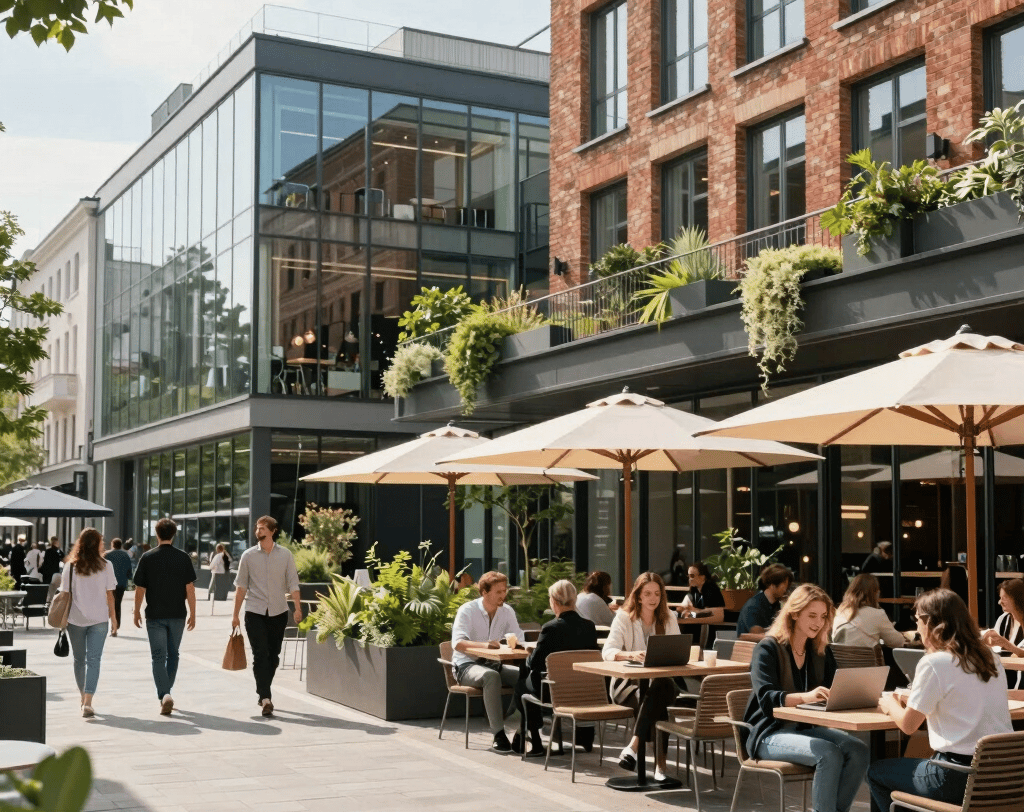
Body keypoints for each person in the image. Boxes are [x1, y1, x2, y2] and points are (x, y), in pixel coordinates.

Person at [869, 588, 1012, 812]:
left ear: (930, 623)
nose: (916, 628)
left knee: (876, 772)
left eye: (917, 621)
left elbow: (908, 726)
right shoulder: (991, 658)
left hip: (955, 778)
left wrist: (889, 705)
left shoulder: (935, 663)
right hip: (1003, 777)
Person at [744, 584, 869, 812]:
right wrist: (806, 697)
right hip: (769, 733)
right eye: (812, 615)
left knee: (858, 750)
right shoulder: (767, 648)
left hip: (804, 729)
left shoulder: (819, 650)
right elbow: (767, 699)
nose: (818, 623)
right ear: (794, 613)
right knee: (828, 753)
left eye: (823, 617)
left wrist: (857, 694)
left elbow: (834, 688)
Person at [603, 571, 681, 781]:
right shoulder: (623, 617)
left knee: (661, 687)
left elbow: (677, 649)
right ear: (637, 596)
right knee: (659, 701)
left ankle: (633, 746)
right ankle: (660, 767)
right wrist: (630, 654)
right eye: (647, 594)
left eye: (657, 593)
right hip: (626, 683)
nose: (653, 598)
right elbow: (607, 651)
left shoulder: (669, 617)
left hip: (661, 681)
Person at [513, 579, 599, 756]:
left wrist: (531, 653)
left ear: (553, 601)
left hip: (554, 691)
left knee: (522, 681)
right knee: (530, 676)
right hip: (584, 690)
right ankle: (584, 737)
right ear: (574, 600)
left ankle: (534, 739)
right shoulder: (589, 627)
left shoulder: (550, 628)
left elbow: (536, 663)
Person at [232, 516, 301, 717]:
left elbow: (293, 583)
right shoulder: (248, 556)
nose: (258, 531)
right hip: (254, 612)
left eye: (262, 528)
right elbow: (241, 587)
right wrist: (235, 615)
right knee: (260, 654)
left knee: (273, 656)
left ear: (272, 531)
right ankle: (265, 697)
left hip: (279, 612)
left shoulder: (286, 555)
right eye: (257, 528)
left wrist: (297, 608)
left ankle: (263, 691)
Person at [450, 570, 524, 753]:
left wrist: (520, 646)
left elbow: (519, 637)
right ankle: (499, 734)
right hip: (466, 666)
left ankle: (521, 731)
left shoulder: (507, 611)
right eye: (498, 591)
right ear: (484, 592)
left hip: (494, 664)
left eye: (504, 590)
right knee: (491, 677)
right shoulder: (467, 610)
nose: (503, 595)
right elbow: (457, 643)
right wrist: (484, 645)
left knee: (527, 677)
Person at [133, 518, 197, 715]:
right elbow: (190, 589)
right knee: (173, 654)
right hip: (178, 614)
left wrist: (136, 610)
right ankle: (167, 691)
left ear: (156, 533)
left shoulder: (147, 557)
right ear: (174, 534)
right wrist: (193, 613)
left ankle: (164, 694)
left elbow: (140, 588)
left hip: (155, 615)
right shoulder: (183, 557)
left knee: (158, 657)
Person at [58, 527, 117, 718]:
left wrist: (62, 619)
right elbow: (110, 595)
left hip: (75, 619)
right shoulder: (107, 565)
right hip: (100, 619)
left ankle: (84, 697)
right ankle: (88, 701)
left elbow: (64, 594)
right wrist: (114, 618)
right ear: (97, 543)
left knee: (79, 660)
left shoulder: (71, 566)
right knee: (94, 661)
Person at [832, 573, 905, 648]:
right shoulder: (877, 614)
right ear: (875, 593)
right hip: (866, 659)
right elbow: (897, 642)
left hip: (841, 659)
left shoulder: (840, 612)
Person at [981, 578, 1024, 690]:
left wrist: (1008, 645)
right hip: (1004, 678)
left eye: (1004, 598)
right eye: (1000, 598)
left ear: (1015, 598)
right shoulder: (1003, 619)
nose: (1000, 602)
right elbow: (994, 645)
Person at [736, 563, 792, 635]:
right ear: (773, 584)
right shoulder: (754, 605)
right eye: (784, 584)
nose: (786, 588)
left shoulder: (776, 605)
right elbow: (757, 633)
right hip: (753, 645)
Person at [104, 538, 133, 633]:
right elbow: (129, 570)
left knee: (108, 604)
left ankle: (110, 624)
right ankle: (116, 626)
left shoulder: (107, 555)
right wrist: (129, 578)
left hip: (108, 584)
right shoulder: (125, 555)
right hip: (121, 583)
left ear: (112, 544)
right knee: (117, 604)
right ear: (120, 545)